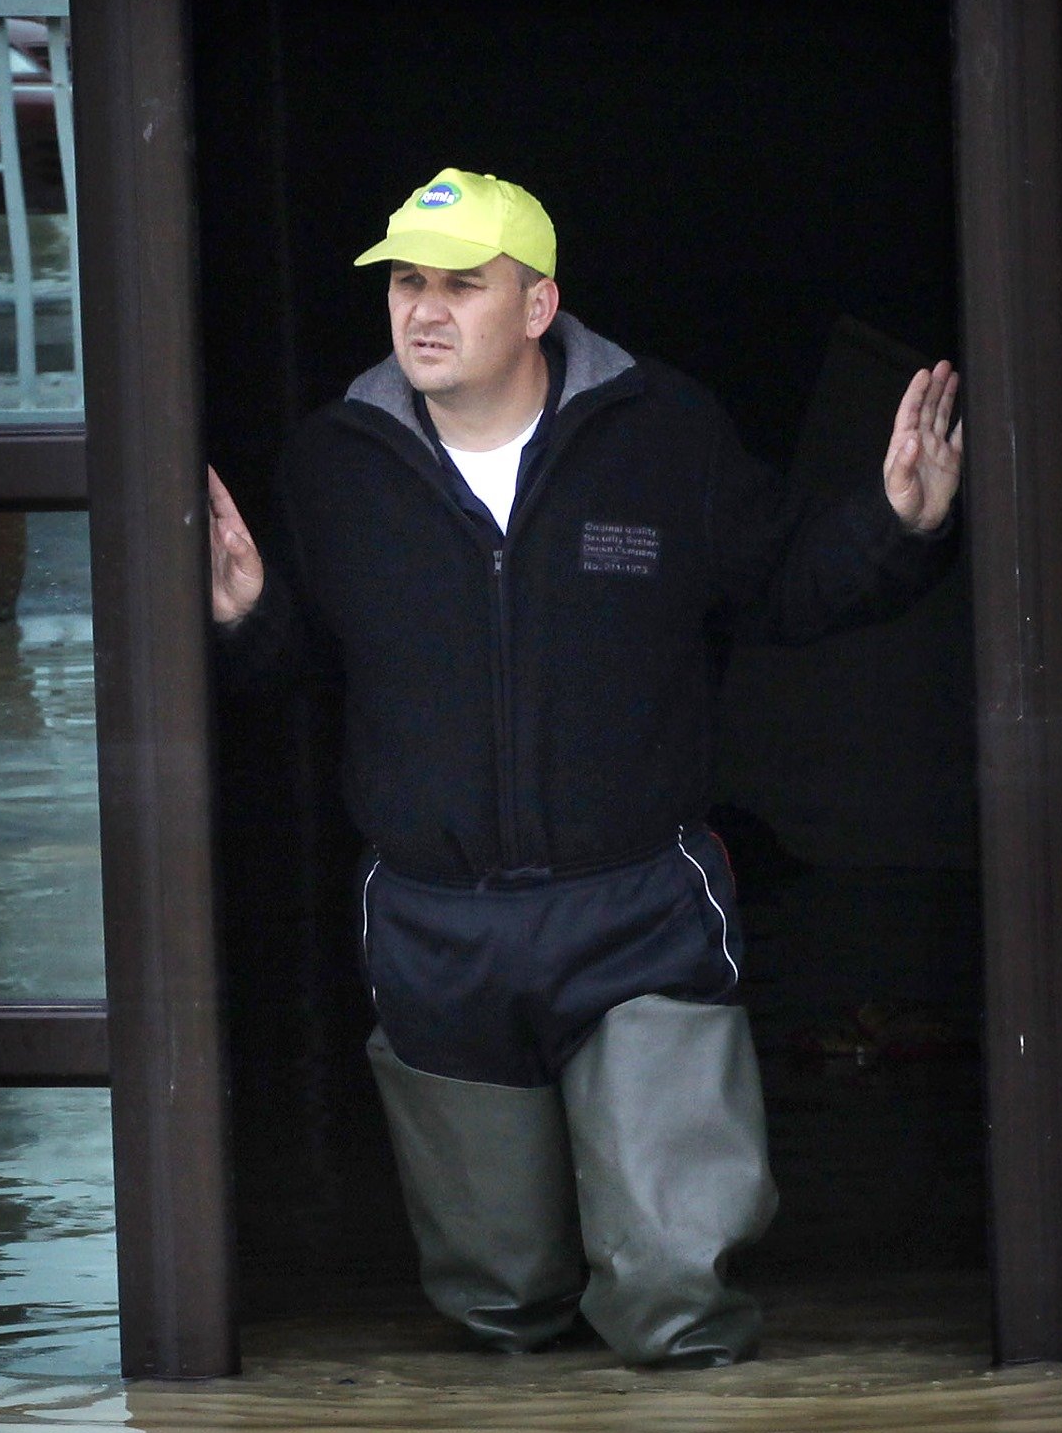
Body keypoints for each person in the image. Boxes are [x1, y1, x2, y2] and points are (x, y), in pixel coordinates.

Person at [207, 168, 963, 1367]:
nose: (425, 310)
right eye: (408, 280)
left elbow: (780, 587)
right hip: (434, 923)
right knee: (498, 1308)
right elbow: (303, 668)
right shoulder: (333, 463)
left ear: (541, 303)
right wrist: (246, 618)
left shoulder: (661, 433)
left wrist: (897, 523)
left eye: (464, 282)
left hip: (636, 909)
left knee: (677, 1295)